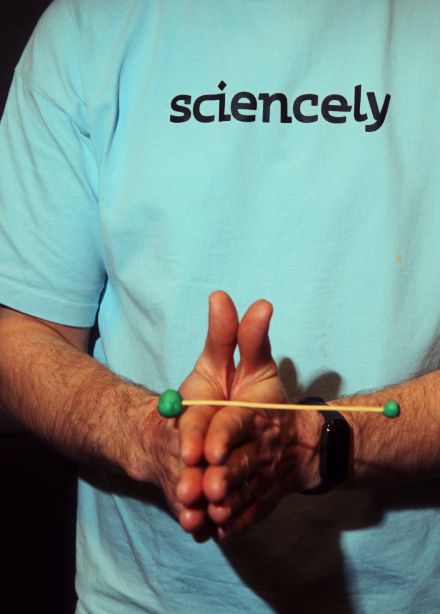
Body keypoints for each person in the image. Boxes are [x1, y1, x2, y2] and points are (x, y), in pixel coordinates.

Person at [1, 1, 440, 612]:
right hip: (140, 599)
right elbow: (26, 331)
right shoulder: (88, 23)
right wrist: (147, 435)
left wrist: (313, 445)